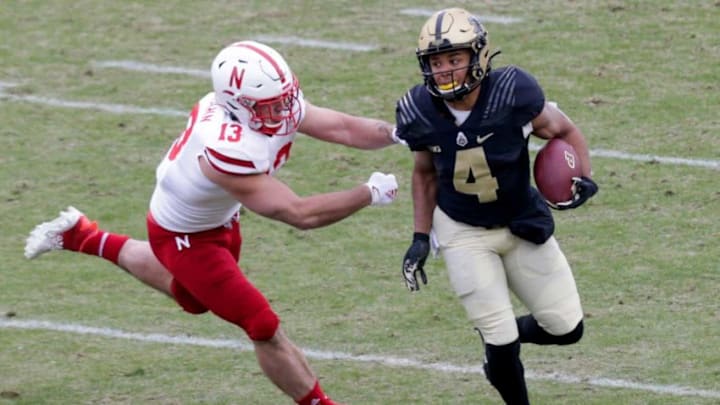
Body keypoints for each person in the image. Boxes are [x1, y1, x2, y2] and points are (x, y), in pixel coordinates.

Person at [24, 40, 403, 405]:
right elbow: (298, 213)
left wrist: (397, 134)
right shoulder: (226, 147)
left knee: (191, 297)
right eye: (271, 106)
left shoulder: (265, 108)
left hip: (218, 220)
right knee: (262, 324)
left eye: (285, 100)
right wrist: (368, 192)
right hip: (183, 236)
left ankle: (83, 236)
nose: (284, 112)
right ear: (237, 105)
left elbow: (343, 127)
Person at [395, 8, 598, 405]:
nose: (446, 71)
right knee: (501, 342)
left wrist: (584, 177)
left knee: (566, 328)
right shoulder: (418, 109)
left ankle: (499, 336)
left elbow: (565, 129)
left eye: (455, 59)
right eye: (436, 62)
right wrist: (420, 236)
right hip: (463, 230)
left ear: (478, 56)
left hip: (520, 220)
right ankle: (501, 353)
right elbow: (424, 174)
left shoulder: (512, 92)